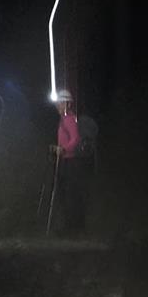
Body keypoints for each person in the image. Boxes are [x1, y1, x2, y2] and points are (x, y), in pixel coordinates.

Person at [51, 89, 85, 233]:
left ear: (67, 104)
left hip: (70, 162)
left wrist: (63, 149)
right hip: (65, 160)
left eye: (60, 103)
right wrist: (58, 148)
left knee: (69, 194)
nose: (57, 106)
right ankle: (69, 225)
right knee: (64, 193)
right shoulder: (64, 119)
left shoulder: (69, 119)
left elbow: (75, 139)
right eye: (57, 103)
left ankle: (72, 227)